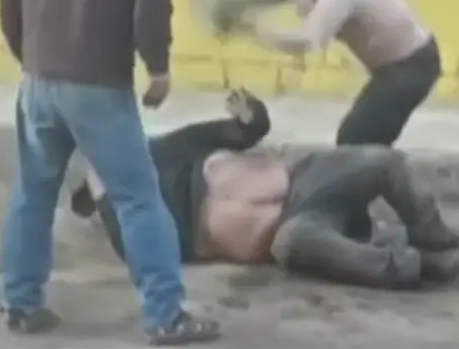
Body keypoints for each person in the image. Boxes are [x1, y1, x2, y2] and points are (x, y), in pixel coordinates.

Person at [0, 0, 221, 345]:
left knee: (33, 193)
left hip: (38, 80)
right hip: (97, 82)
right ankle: (166, 315)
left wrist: (28, 55)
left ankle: (20, 303)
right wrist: (158, 63)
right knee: (139, 198)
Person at [70, 89, 459, 289]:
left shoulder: (170, 147)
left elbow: (245, 131)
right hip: (289, 230)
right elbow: (140, 251)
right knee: (294, 243)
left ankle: (436, 239)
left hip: (304, 179)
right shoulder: (140, 221)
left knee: (384, 160)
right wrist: (101, 190)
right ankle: (420, 267)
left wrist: (253, 115)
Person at [231, 0, 440, 146]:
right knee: (364, 141)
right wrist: (239, 3)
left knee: (356, 140)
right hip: (399, 67)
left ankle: (385, 179)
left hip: (411, 68)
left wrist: (254, 30)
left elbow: (306, 41)